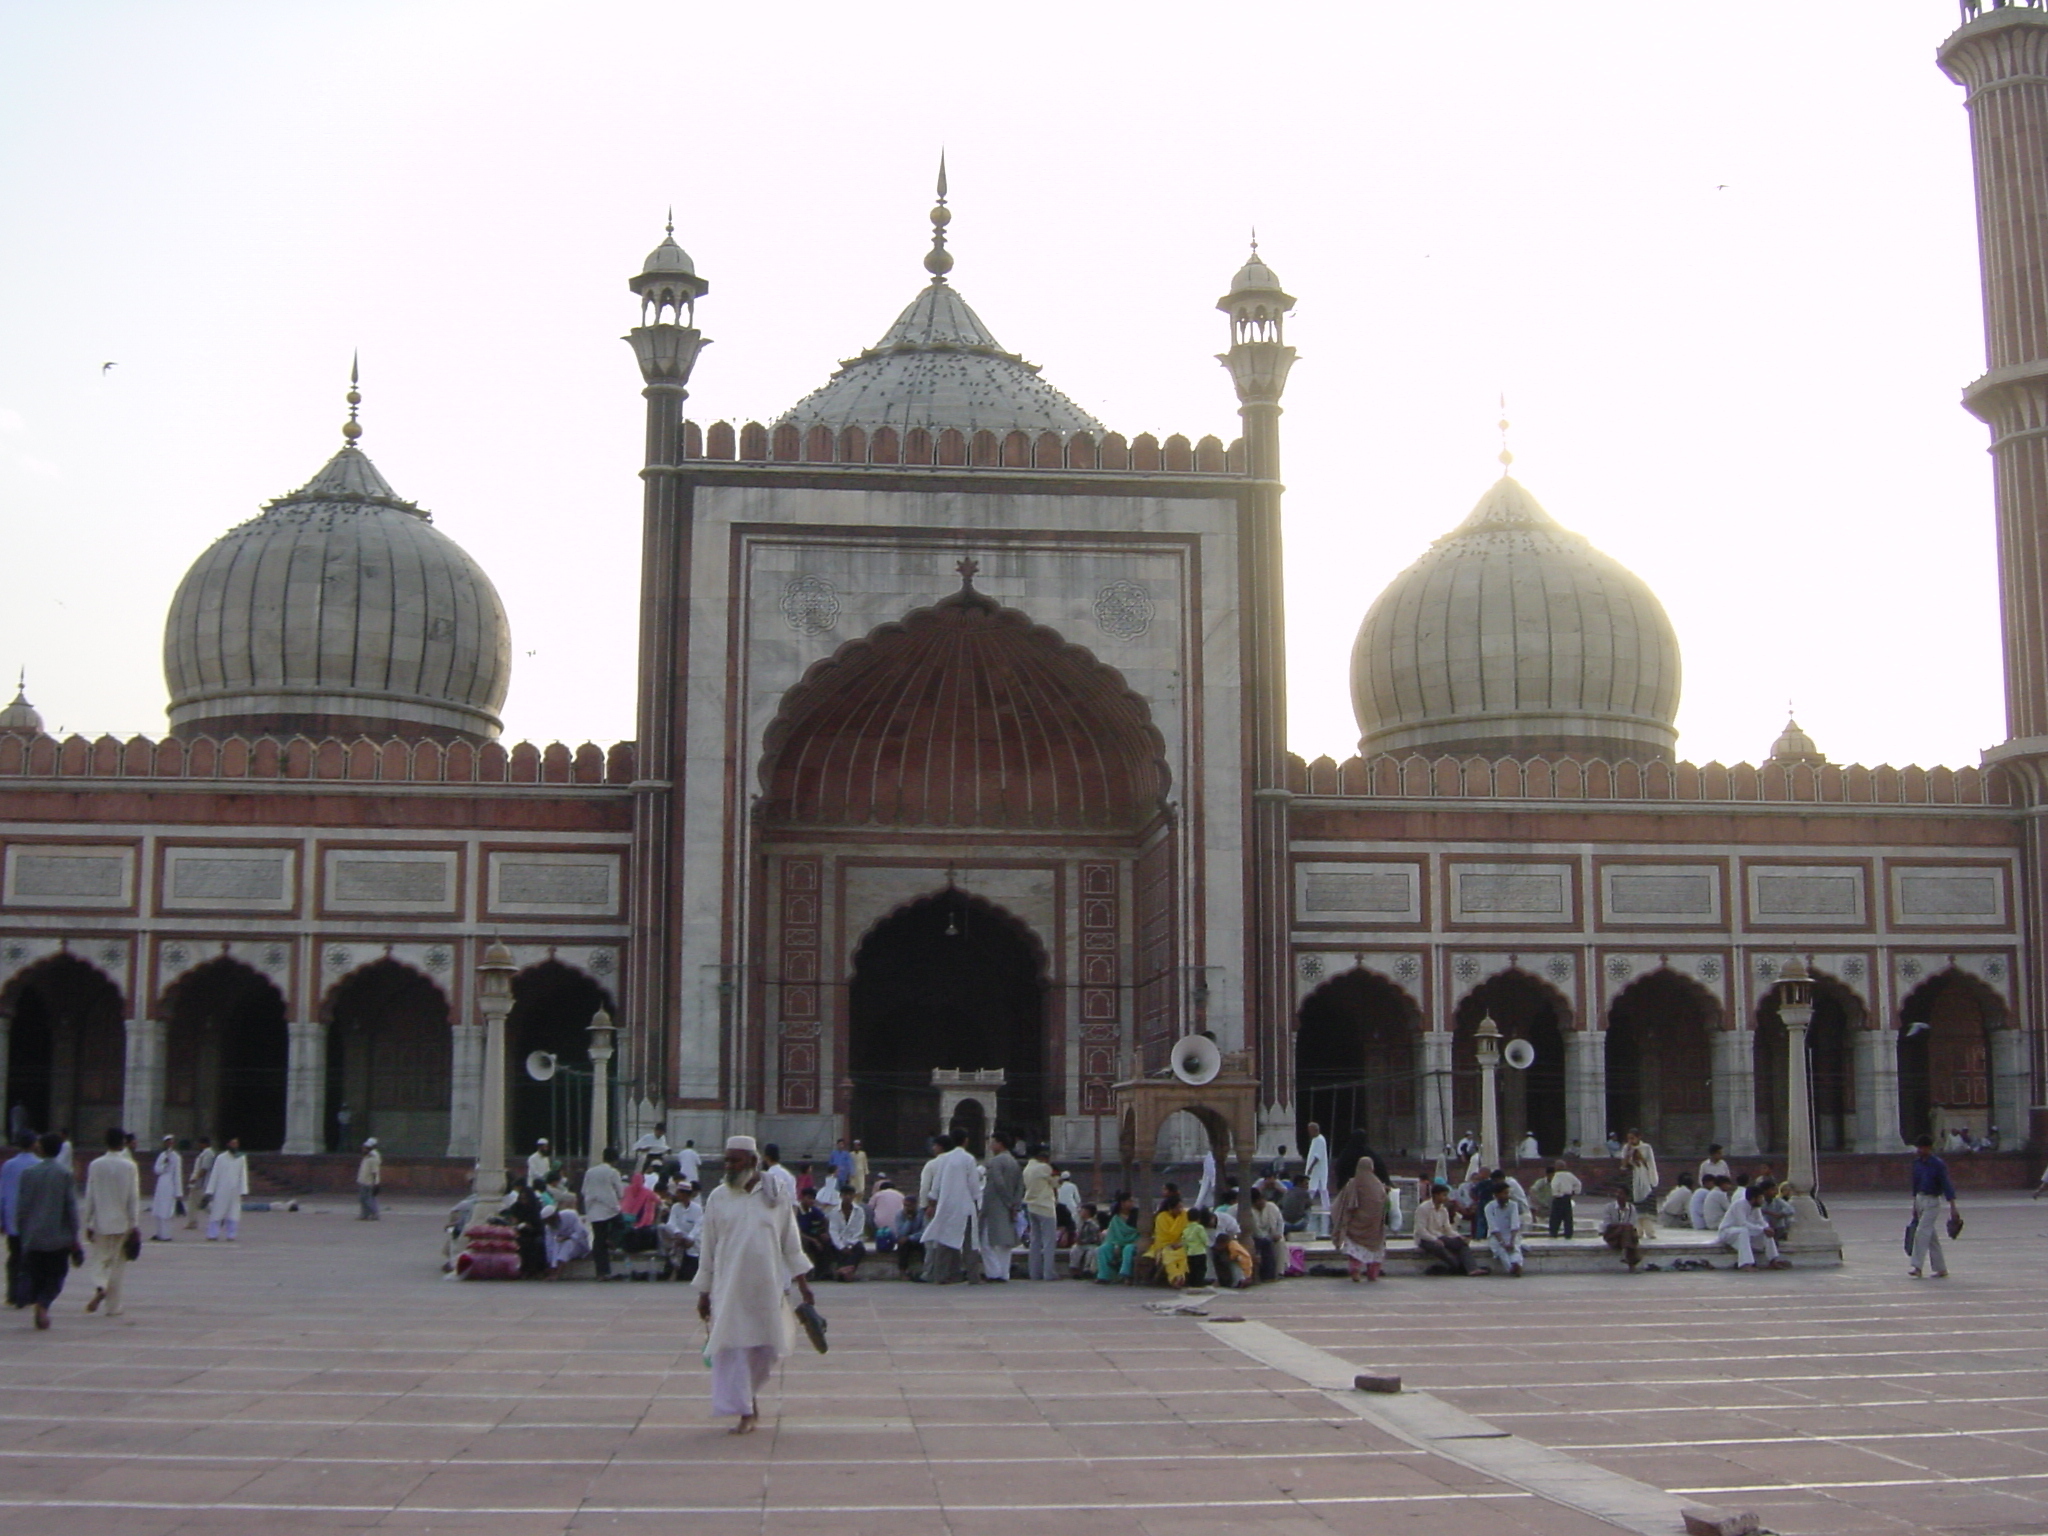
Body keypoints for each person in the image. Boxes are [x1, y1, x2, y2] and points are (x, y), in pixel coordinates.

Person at [694, 1135, 815, 1435]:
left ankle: (750, 1397)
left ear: (751, 1161)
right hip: (728, 1287)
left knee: (765, 1350)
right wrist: (704, 1291)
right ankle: (747, 1410)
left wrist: (804, 1285)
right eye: (726, 1160)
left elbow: (791, 1242)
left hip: (767, 1285)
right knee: (732, 1349)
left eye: (734, 1160)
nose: (728, 1166)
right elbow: (707, 1248)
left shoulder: (776, 1195)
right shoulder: (718, 1197)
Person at [16, 1134, 80, 1329]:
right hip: (57, 1238)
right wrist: (73, 1235)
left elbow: (22, 1207)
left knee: (35, 1273)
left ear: (41, 1149)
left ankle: (36, 1300)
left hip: (33, 1236)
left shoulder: (29, 1173)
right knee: (56, 1275)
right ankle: (44, 1304)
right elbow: (71, 1208)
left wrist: (23, 1232)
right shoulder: (65, 1174)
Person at [80, 1127, 140, 1317]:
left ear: (105, 1142)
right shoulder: (130, 1166)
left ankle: (100, 1285)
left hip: (101, 1222)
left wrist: (88, 1222)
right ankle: (113, 1307)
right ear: (123, 1143)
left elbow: (90, 1196)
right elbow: (133, 1198)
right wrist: (134, 1224)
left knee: (99, 1260)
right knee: (117, 1265)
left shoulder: (96, 1165)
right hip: (122, 1222)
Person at [919, 1132, 979, 1284]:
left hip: (946, 1205)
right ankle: (973, 1276)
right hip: (965, 1205)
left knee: (944, 1241)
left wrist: (931, 1203)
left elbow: (936, 1184)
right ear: (966, 1141)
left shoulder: (944, 1160)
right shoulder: (968, 1159)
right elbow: (973, 1184)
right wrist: (977, 1201)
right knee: (969, 1242)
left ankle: (941, 1276)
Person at [1908, 1133, 1960, 1279]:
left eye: (1922, 1147)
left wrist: (1952, 1206)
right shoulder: (1917, 1164)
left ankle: (1917, 1266)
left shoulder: (1937, 1164)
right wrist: (1914, 1205)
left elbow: (1946, 1185)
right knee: (1930, 1237)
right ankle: (1941, 1268)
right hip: (1920, 1199)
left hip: (1932, 1201)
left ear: (1929, 1148)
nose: (1919, 1150)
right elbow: (1915, 1185)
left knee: (1921, 1233)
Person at [1328, 1156, 1387, 1282]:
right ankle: (1372, 1273)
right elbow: (1383, 1204)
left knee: (1355, 1251)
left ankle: (1355, 1271)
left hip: (1355, 1226)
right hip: (1374, 1228)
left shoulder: (1353, 1184)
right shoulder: (1378, 1185)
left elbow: (1342, 1203)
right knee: (1374, 1249)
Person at [979, 1132, 1023, 1283]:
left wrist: (1007, 1202)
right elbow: (1020, 1186)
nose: (991, 1146)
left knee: (986, 1241)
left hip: (995, 1205)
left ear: (1000, 1144)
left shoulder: (996, 1161)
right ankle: (1004, 1272)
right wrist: (1014, 1205)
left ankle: (994, 1272)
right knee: (1005, 1242)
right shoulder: (1013, 1161)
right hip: (1009, 1206)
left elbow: (998, 1183)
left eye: (993, 1142)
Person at [1, 1131, 38, 1304]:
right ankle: (27, 1293)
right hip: (33, 1219)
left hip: (12, 1217)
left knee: (14, 1256)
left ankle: (12, 1293)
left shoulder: (8, 1165)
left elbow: (2, 1193)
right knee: (30, 1258)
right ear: (33, 1145)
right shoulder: (38, 1165)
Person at [1414, 1181, 1482, 1275]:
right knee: (1439, 1248)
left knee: (1462, 1243)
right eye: (1444, 1195)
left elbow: (1448, 1229)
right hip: (1425, 1239)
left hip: (1440, 1237)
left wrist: (1459, 1237)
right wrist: (1434, 1239)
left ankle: (1472, 1269)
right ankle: (1458, 1267)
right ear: (1436, 1195)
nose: (1446, 1198)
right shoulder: (1423, 1208)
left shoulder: (1443, 1210)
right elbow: (1421, 1230)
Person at [1721, 1177, 1789, 1269]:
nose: (1763, 1200)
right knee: (1743, 1231)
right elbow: (1743, 1224)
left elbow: (1761, 1221)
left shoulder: (1756, 1207)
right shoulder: (1739, 1205)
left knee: (1767, 1233)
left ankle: (1773, 1260)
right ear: (1753, 1198)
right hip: (1728, 1232)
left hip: (1746, 1233)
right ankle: (1746, 1264)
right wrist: (1762, 1229)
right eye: (1761, 1198)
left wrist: (1767, 1228)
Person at [580, 1147, 626, 1279]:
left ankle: (602, 1272)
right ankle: (612, 1240)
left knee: (598, 1240)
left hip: (594, 1210)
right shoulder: (613, 1172)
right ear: (615, 1160)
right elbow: (620, 1192)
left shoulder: (590, 1172)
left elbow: (584, 1190)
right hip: (610, 1208)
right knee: (620, 1225)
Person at [1021, 1144, 1059, 1281]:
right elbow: (1055, 1183)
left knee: (1035, 1241)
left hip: (1031, 1206)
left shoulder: (1027, 1168)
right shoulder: (1044, 1167)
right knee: (1049, 1242)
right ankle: (1048, 1273)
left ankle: (1034, 1273)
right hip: (1045, 1207)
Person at [205, 1138, 248, 1241]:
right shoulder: (221, 1158)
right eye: (232, 1143)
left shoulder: (241, 1158)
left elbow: (243, 1175)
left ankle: (231, 1235)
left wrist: (243, 1190)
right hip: (221, 1190)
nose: (234, 1145)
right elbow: (214, 1175)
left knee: (233, 1213)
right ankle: (212, 1234)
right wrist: (210, 1190)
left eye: (236, 1143)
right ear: (228, 1144)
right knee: (217, 1212)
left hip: (235, 1190)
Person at [1145, 1192, 1191, 1287]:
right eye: (1178, 1208)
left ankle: (1180, 1277)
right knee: (1167, 1255)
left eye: (1181, 1207)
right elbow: (1163, 1235)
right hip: (1163, 1245)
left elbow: (1187, 1231)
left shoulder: (1184, 1216)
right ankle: (1175, 1278)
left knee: (1183, 1256)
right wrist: (1170, 1245)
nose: (1180, 1210)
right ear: (1171, 1208)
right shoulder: (1161, 1217)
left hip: (1180, 1244)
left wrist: (1181, 1243)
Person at [1483, 1181, 1526, 1276]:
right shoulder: (1489, 1207)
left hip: (1511, 1235)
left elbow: (1515, 1224)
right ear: (1496, 1195)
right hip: (1495, 1237)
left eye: (1508, 1193)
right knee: (1501, 1251)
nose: (1507, 1196)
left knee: (1515, 1249)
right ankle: (1512, 1268)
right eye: (1505, 1193)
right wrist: (1502, 1242)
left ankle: (1516, 1265)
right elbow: (1493, 1227)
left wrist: (1511, 1241)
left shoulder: (1513, 1205)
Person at [662, 1182, 703, 1281]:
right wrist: (677, 1232)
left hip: (693, 1243)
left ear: (685, 1194)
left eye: (679, 1193)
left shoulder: (697, 1208)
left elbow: (698, 1226)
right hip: (679, 1240)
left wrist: (690, 1238)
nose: (677, 1195)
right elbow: (671, 1223)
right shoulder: (675, 1207)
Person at [1095, 1197, 1140, 1283]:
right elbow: (1112, 1235)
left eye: (1132, 1201)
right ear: (1122, 1203)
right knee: (1102, 1249)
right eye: (1129, 1201)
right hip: (1117, 1242)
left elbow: (1138, 1232)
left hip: (1134, 1242)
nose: (1132, 1203)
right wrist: (1116, 1244)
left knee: (1128, 1249)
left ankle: (1125, 1274)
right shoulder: (1116, 1218)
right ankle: (1104, 1276)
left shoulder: (1137, 1215)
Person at [1620, 1129, 1659, 1232]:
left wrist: (1640, 1159)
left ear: (1638, 1137)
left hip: (1645, 1178)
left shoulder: (1646, 1147)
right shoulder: (1626, 1148)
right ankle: (1637, 1230)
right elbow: (1623, 1165)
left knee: (1646, 1206)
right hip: (1632, 1178)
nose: (1630, 1141)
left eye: (1632, 1138)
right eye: (1628, 1138)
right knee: (1634, 1206)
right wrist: (1628, 1153)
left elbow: (1650, 1164)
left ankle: (1649, 1230)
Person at [825, 1185, 866, 1281]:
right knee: (834, 1249)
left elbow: (859, 1231)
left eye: (850, 1195)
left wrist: (850, 1245)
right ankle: (846, 1272)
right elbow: (833, 1231)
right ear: (841, 1196)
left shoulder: (859, 1211)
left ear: (854, 1196)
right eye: (845, 1195)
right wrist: (841, 1246)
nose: (847, 1197)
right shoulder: (834, 1212)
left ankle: (844, 1270)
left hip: (853, 1241)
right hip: (839, 1241)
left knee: (860, 1249)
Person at [543, 1199, 592, 1278]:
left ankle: (558, 1273)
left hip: (579, 1245)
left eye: (550, 1220)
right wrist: (550, 1262)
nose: (550, 1223)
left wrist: (568, 1237)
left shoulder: (571, 1215)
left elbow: (582, 1233)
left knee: (568, 1243)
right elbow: (549, 1246)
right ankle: (554, 1270)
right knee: (557, 1243)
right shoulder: (549, 1227)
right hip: (562, 1248)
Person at [1245, 1186, 1284, 1281]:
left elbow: (1280, 1222)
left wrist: (1278, 1234)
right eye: (1259, 1201)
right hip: (1254, 1237)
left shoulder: (1272, 1207)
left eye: (1262, 1199)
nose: (1262, 1202)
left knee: (1280, 1243)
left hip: (1272, 1236)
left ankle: (1279, 1272)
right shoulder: (1246, 1210)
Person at [1599, 1186, 1642, 1270]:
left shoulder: (1631, 1208)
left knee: (1627, 1230)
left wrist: (1623, 1227)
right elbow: (1607, 1224)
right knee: (1626, 1229)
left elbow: (1632, 1223)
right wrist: (1621, 1227)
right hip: (1612, 1235)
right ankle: (1632, 1260)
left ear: (1627, 1197)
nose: (1618, 1195)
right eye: (1617, 1193)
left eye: (1621, 1194)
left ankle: (1625, 1253)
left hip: (1625, 1235)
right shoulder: (1609, 1207)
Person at [793, 1188, 832, 1277]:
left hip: (812, 1234)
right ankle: (807, 1272)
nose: (811, 1201)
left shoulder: (814, 1210)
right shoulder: (796, 1211)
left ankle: (823, 1271)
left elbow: (825, 1220)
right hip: (800, 1236)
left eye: (813, 1199)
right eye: (809, 1198)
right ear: (802, 1198)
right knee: (805, 1243)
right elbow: (796, 1231)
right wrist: (813, 1240)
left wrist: (824, 1232)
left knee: (826, 1241)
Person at [149, 1136, 181, 1242]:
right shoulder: (162, 1155)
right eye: (167, 1142)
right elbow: (156, 1169)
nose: (169, 1144)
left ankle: (166, 1235)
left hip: (170, 1186)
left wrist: (178, 1192)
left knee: (167, 1211)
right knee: (159, 1210)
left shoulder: (176, 1157)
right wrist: (164, 1165)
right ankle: (159, 1233)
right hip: (161, 1184)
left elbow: (177, 1175)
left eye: (171, 1142)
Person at [1302, 1122, 1331, 1232]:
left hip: (1318, 1169)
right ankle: (1323, 1205)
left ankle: (1319, 1205)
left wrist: (1310, 1168)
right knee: (1317, 1188)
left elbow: (1317, 1156)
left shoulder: (1320, 1140)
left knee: (1316, 1188)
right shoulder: (1315, 1140)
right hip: (1316, 1170)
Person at [185, 1136, 215, 1231]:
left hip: (201, 1183)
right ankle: (192, 1222)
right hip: (197, 1183)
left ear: (204, 1144)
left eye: (200, 1143)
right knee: (193, 1203)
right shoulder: (204, 1153)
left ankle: (217, 1216)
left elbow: (204, 1169)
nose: (198, 1145)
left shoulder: (208, 1154)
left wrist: (195, 1178)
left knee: (202, 1203)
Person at [1068, 1202, 1102, 1278]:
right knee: (1075, 1250)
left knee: (1091, 1252)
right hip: (1081, 1244)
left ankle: (1087, 1269)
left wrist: (1083, 1241)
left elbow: (1095, 1237)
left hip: (1091, 1244)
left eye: (1082, 1210)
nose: (1080, 1212)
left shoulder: (1093, 1223)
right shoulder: (1080, 1221)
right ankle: (1074, 1269)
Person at [354, 1138, 382, 1221]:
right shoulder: (367, 1156)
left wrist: (375, 1184)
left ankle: (374, 1214)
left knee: (370, 1200)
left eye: (365, 1147)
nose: (363, 1149)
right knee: (363, 1199)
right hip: (364, 1181)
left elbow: (374, 1172)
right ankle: (365, 1214)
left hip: (369, 1182)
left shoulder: (373, 1158)